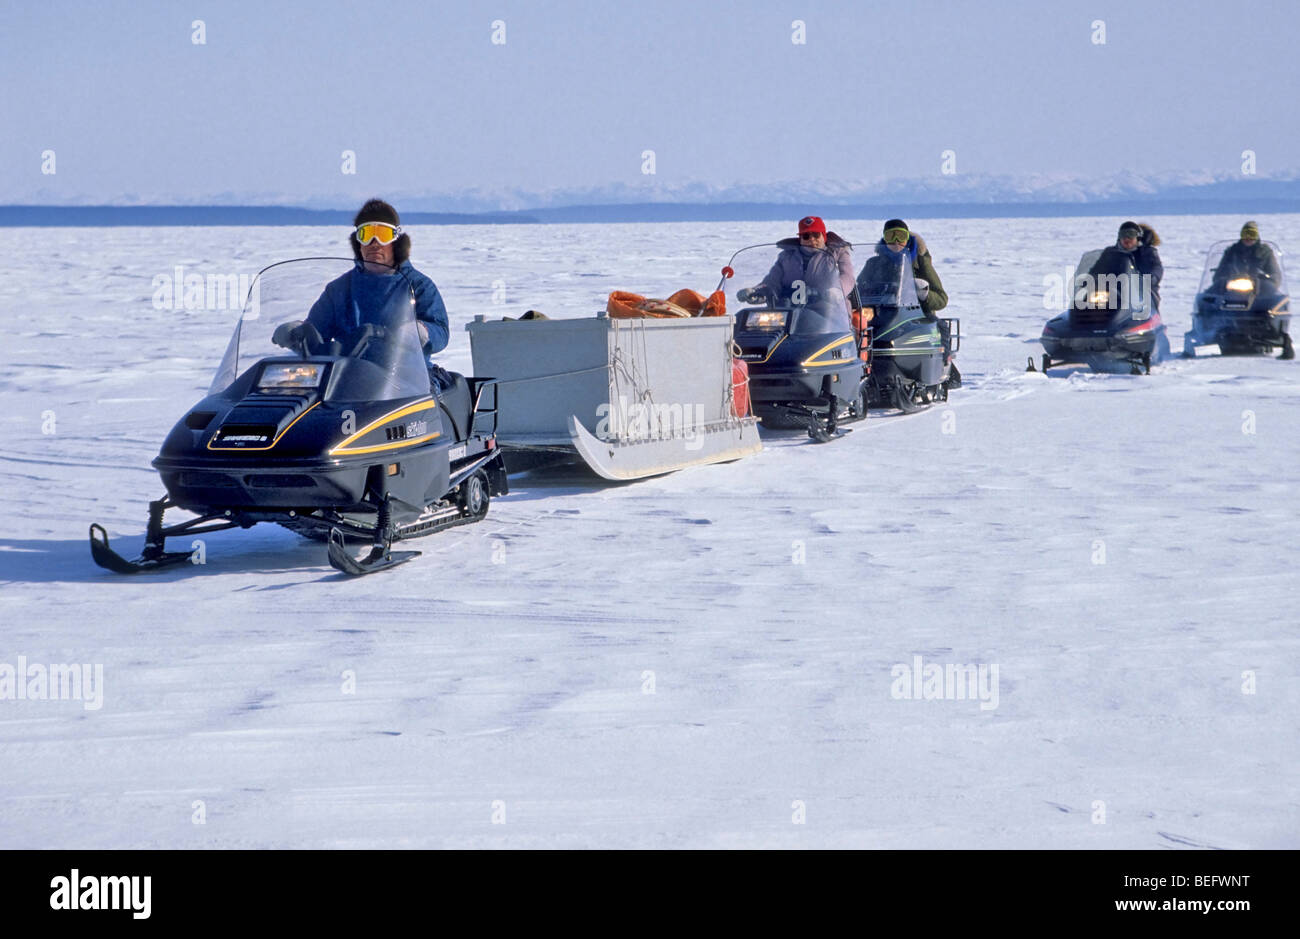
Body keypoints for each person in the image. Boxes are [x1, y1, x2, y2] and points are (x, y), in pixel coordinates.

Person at [273, 199, 451, 381]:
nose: (375, 243)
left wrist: (419, 332)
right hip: (348, 380)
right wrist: (297, 334)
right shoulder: (339, 289)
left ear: (396, 241)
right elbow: (317, 334)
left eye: (383, 234)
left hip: (407, 379)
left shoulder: (418, 286)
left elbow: (441, 332)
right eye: (366, 235)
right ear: (358, 243)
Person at [856, 219, 957, 384]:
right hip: (882, 314)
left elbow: (941, 299)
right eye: (891, 236)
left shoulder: (920, 263)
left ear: (908, 238)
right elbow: (860, 289)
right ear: (884, 239)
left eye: (900, 236)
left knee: (939, 327)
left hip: (915, 314)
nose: (896, 242)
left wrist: (924, 294)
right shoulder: (874, 264)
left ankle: (941, 369)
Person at [737, 216, 855, 315]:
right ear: (800, 239)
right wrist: (755, 292)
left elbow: (848, 276)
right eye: (806, 236)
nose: (812, 240)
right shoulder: (786, 257)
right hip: (790, 314)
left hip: (829, 314)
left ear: (823, 236)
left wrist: (837, 291)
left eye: (816, 235)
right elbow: (772, 282)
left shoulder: (837, 253)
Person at [1088, 220, 1163, 311]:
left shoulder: (1147, 253)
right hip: (1113, 292)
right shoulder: (1110, 253)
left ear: (1138, 238)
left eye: (1131, 235)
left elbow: (1156, 268)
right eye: (1123, 235)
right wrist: (1090, 279)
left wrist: (1151, 278)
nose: (1127, 239)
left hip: (1141, 293)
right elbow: (1098, 269)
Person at [1217, 221, 1282, 286]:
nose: (1248, 238)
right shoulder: (1231, 251)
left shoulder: (1265, 252)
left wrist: (1270, 280)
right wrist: (1223, 280)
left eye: (1252, 234)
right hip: (1233, 288)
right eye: (1245, 234)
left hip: (1261, 289)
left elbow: (1275, 273)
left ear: (1257, 236)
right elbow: (1220, 273)